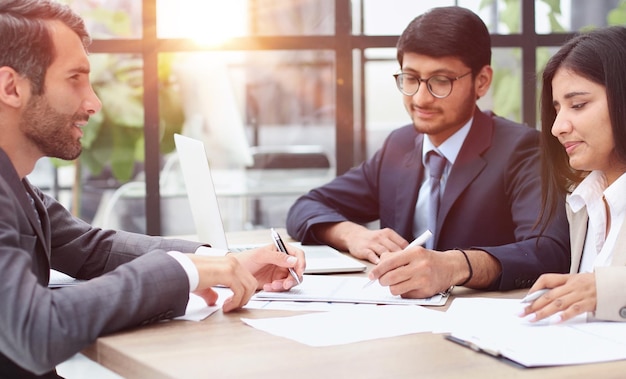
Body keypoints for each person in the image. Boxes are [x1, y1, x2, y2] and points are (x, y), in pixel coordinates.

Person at [0, 1, 305, 377]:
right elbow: (35, 329)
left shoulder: (14, 183)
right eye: (74, 78)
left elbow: (92, 248)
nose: (94, 102)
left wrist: (221, 261)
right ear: (11, 87)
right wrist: (179, 271)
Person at [286, 6, 570, 299]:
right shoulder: (400, 145)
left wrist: (454, 266)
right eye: (410, 78)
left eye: (440, 81)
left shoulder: (523, 150)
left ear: (482, 81)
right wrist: (352, 234)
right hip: (399, 317)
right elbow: (306, 206)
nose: (421, 98)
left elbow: (548, 251)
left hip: (481, 323)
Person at [521, 26, 626, 323]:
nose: (557, 128)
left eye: (578, 105)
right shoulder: (582, 202)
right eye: (557, 109)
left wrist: (605, 290)